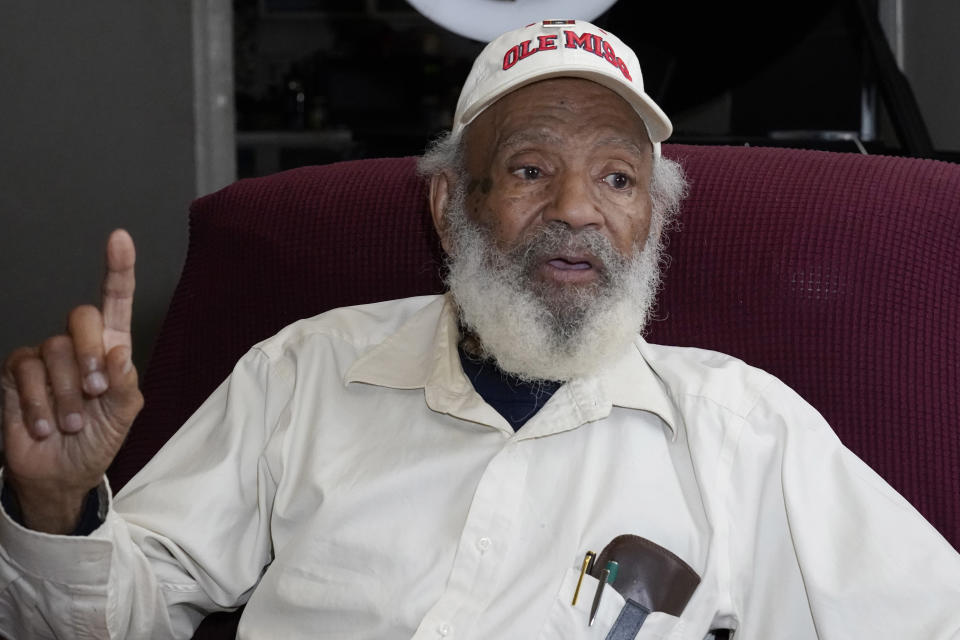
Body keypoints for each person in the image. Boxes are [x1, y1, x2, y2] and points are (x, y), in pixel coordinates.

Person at [1, 19, 958, 640]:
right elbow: (111, 614)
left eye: (619, 179)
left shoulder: (743, 429)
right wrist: (55, 509)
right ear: (451, 203)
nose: (577, 209)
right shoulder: (302, 372)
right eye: (534, 170)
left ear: (653, 221)